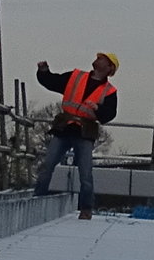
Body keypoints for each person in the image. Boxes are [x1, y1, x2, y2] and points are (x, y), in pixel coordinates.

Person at [35, 53, 119, 219]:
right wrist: (43, 72)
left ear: (110, 68)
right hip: (64, 128)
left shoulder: (109, 91)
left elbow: (110, 113)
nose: (98, 59)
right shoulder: (76, 77)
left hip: (84, 133)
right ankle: (38, 199)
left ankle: (86, 209)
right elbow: (53, 82)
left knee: (85, 174)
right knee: (47, 165)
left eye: (103, 59)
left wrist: (98, 109)